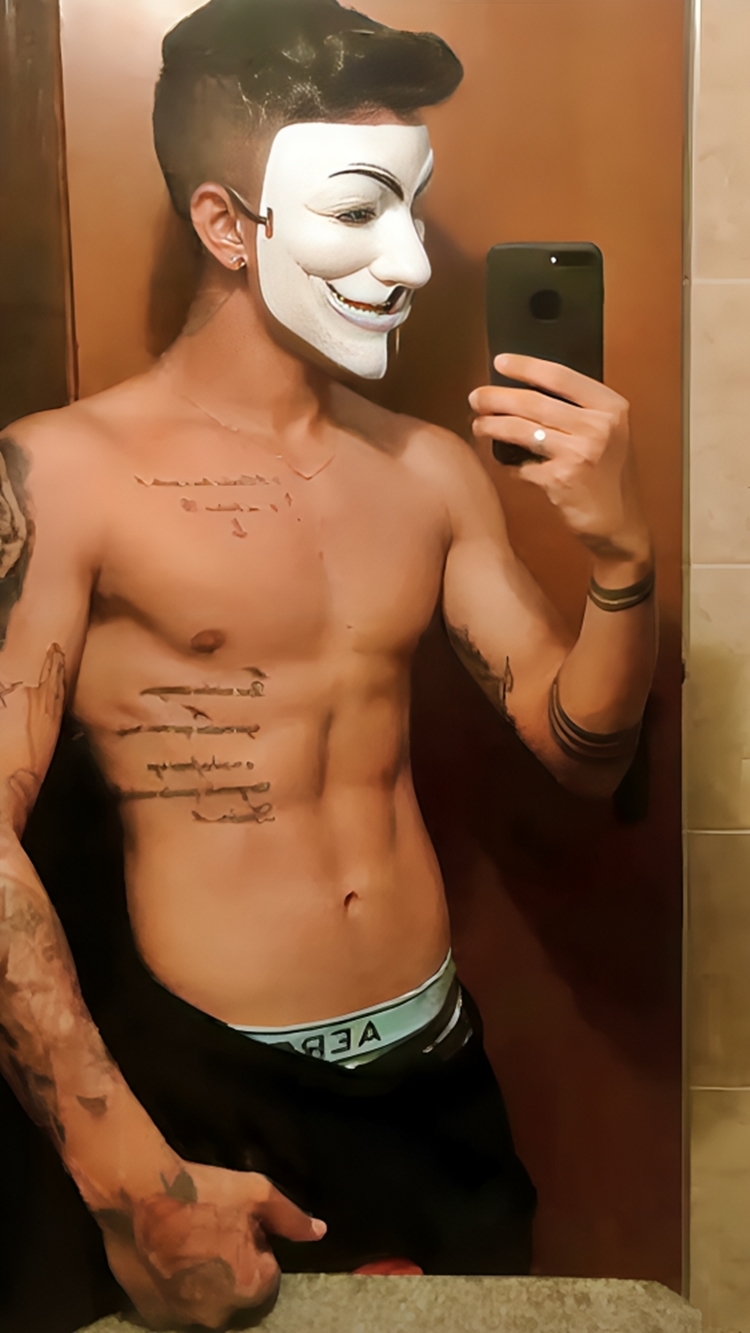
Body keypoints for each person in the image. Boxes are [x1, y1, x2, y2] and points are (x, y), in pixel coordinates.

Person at [0, 0, 657, 1328]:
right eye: (359, 210)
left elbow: (579, 751)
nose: (409, 261)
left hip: (435, 1070)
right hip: (207, 1088)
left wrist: (620, 558)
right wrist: (125, 1174)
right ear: (226, 223)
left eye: (414, 209)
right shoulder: (64, 474)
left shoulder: (427, 472)